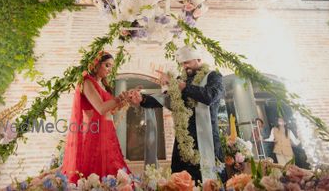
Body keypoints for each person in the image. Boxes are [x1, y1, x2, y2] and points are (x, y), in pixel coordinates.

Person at [129, 45, 225, 184]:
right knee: (179, 180)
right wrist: (142, 99)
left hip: (207, 138)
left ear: (198, 59)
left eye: (187, 62)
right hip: (183, 139)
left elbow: (211, 96)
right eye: (182, 63)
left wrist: (183, 87)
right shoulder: (182, 79)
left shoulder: (213, 76)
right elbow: (165, 99)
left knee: (210, 181)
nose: (184, 66)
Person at [61, 51, 140, 183]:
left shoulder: (101, 85)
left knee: (114, 172)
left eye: (111, 67)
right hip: (97, 134)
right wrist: (120, 98)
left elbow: (110, 110)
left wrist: (125, 99)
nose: (110, 70)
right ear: (96, 64)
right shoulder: (87, 82)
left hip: (108, 131)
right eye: (107, 65)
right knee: (99, 173)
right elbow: (101, 108)